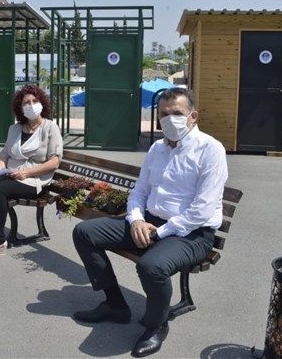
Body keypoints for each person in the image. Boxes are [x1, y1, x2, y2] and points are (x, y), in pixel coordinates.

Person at [72, 88, 228, 357]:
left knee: (151, 266)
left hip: (192, 232)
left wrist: (159, 233)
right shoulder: (157, 148)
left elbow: (202, 209)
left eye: (177, 113)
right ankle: (115, 305)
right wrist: (136, 221)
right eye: (163, 114)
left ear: (193, 116)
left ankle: (157, 325)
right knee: (84, 232)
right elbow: (140, 191)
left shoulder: (210, 149)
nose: (169, 119)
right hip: (150, 222)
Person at [0, 84, 63, 258]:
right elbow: (4, 155)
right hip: (8, 173)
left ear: (42, 103)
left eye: (35, 101)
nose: (31, 105)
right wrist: (0, 168)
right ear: (20, 107)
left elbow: (54, 162)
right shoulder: (14, 129)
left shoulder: (50, 127)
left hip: (33, 180)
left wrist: (26, 173)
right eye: (26, 102)